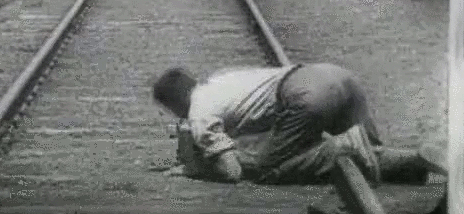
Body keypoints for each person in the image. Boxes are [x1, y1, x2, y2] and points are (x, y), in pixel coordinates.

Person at [152, 63, 446, 185]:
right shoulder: (218, 81)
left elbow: (232, 172)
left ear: (174, 105)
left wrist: (193, 170)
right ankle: (419, 159)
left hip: (305, 93)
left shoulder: (199, 114)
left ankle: (345, 145)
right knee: (371, 166)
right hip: (337, 76)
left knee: (268, 169)